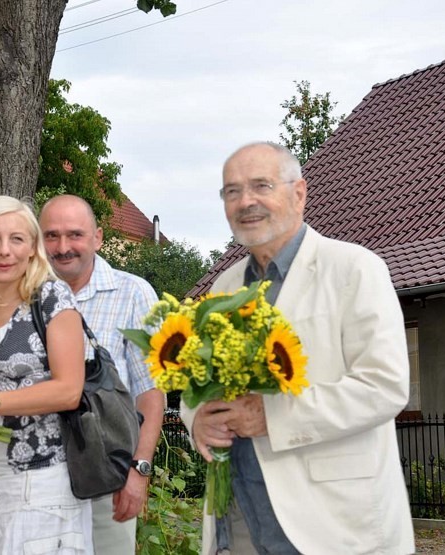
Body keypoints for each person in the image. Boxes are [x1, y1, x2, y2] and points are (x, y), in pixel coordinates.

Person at [181, 142, 415, 554]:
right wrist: (198, 418)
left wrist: (271, 415)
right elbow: (196, 384)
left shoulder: (355, 269)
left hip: (329, 523)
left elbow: (385, 386)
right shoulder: (224, 287)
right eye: (231, 191)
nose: (245, 201)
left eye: (261, 185)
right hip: (240, 519)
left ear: (299, 194)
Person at [0, 195, 91, 554]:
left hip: (44, 489)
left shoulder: (52, 300)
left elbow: (69, 390)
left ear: (32, 249)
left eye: (17, 239)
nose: (4, 251)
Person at [39, 194, 165, 555]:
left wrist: (138, 471)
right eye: (51, 236)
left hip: (108, 479)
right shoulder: (25, 296)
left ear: (97, 238)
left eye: (74, 235)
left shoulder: (133, 293)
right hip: (36, 479)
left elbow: (150, 393)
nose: (63, 247)